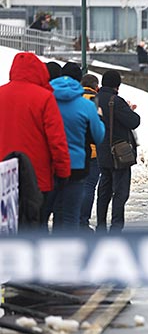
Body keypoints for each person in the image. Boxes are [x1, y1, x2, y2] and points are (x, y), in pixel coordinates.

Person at [0, 52, 71, 228]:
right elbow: (57, 140)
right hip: (38, 178)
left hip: (3, 177)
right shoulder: (44, 97)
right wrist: (63, 172)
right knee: (35, 227)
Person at [48, 62, 105, 231]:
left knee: (52, 210)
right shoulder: (87, 105)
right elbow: (98, 136)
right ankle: (70, 250)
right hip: (77, 165)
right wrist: (99, 117)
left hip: (50, 163)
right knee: (71, 214)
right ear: (79, 80)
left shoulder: (45, 100)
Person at [96, 70, 140, 233]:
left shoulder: (96, 100)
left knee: (104, 190)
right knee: (120, 191)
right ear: (117, 85)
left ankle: (100, 224)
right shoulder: (116, 101)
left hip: (102, 150)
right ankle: (116, 226)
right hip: (118, 152)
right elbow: (134, 121)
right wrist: (129, 109)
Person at [79, 74, 102, 232]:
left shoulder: (76, 99)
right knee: (89, 187)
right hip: (93, 151)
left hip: (75, 149)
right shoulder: (96, 101)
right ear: (96, 87)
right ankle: (83, 220)